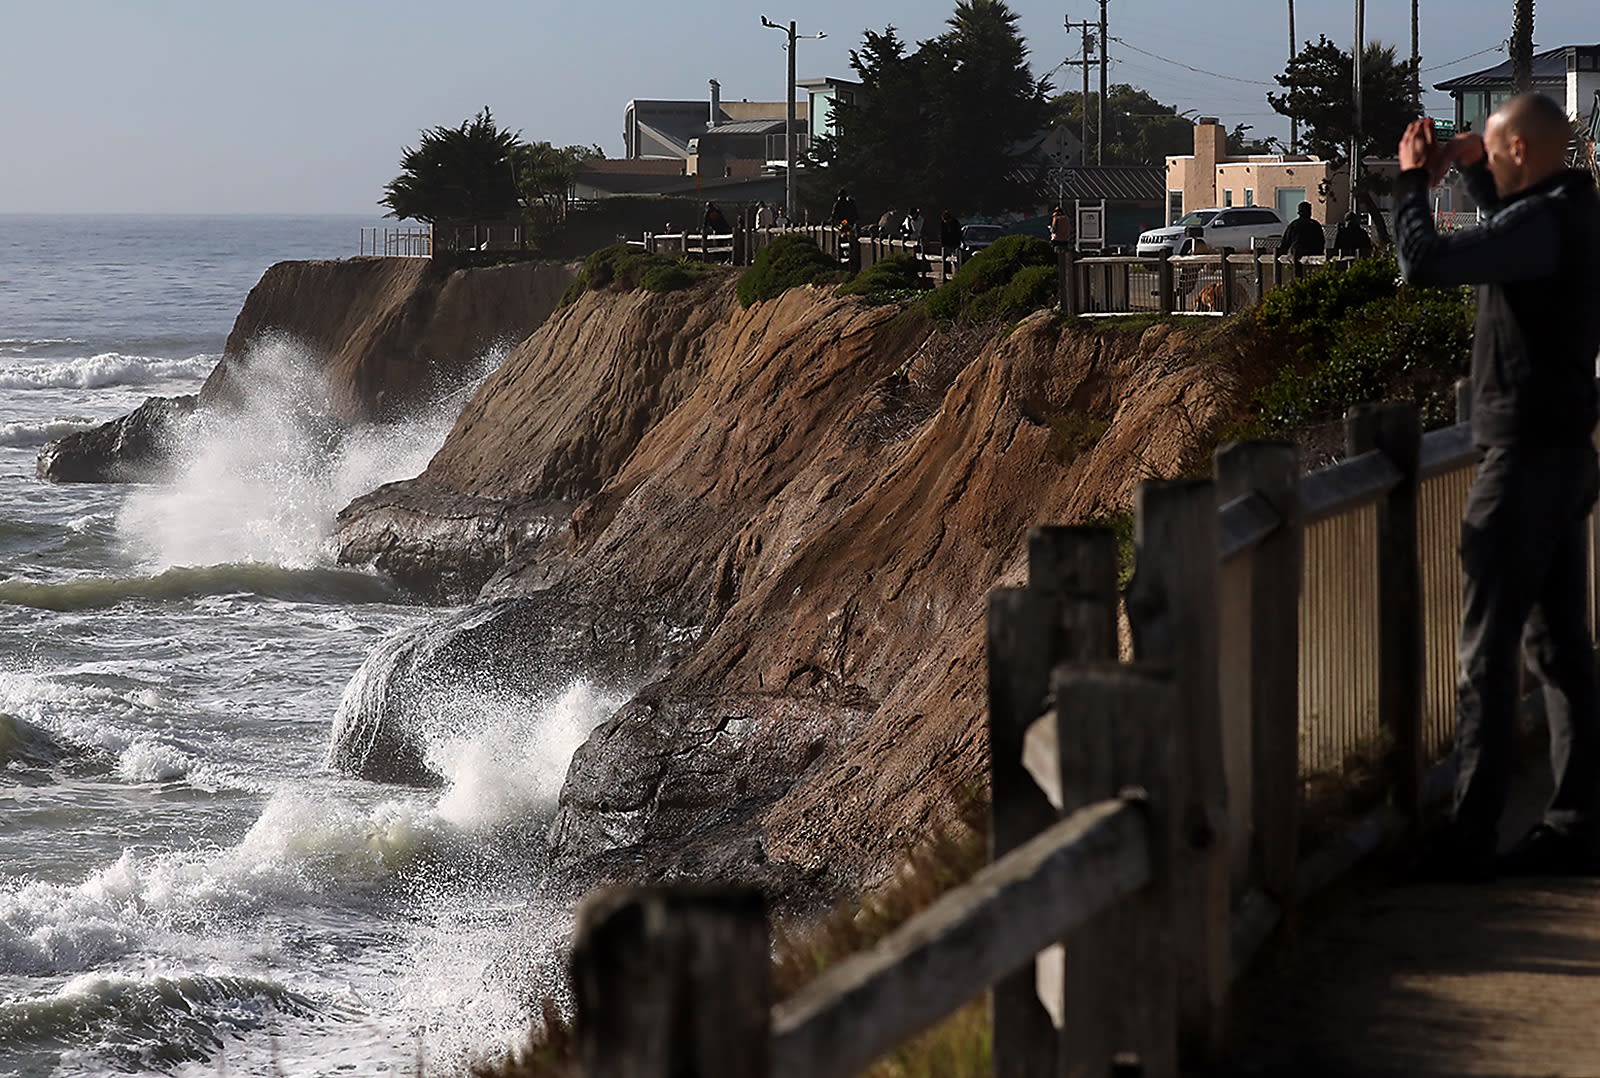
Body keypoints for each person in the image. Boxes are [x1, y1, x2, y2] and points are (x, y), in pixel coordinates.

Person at [1395, 93, 1600, 879]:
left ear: (1520, 150)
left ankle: (1468, 835)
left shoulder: (1541, 224)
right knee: (1559, 648)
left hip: (1521, 463)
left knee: (1487, 655)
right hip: (1565, 453)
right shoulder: (1570, 211)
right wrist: (1479, 175)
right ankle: (1575, 824)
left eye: (1490, 144)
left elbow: (1426, 263)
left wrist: (1413, 185)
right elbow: (1507, 242)